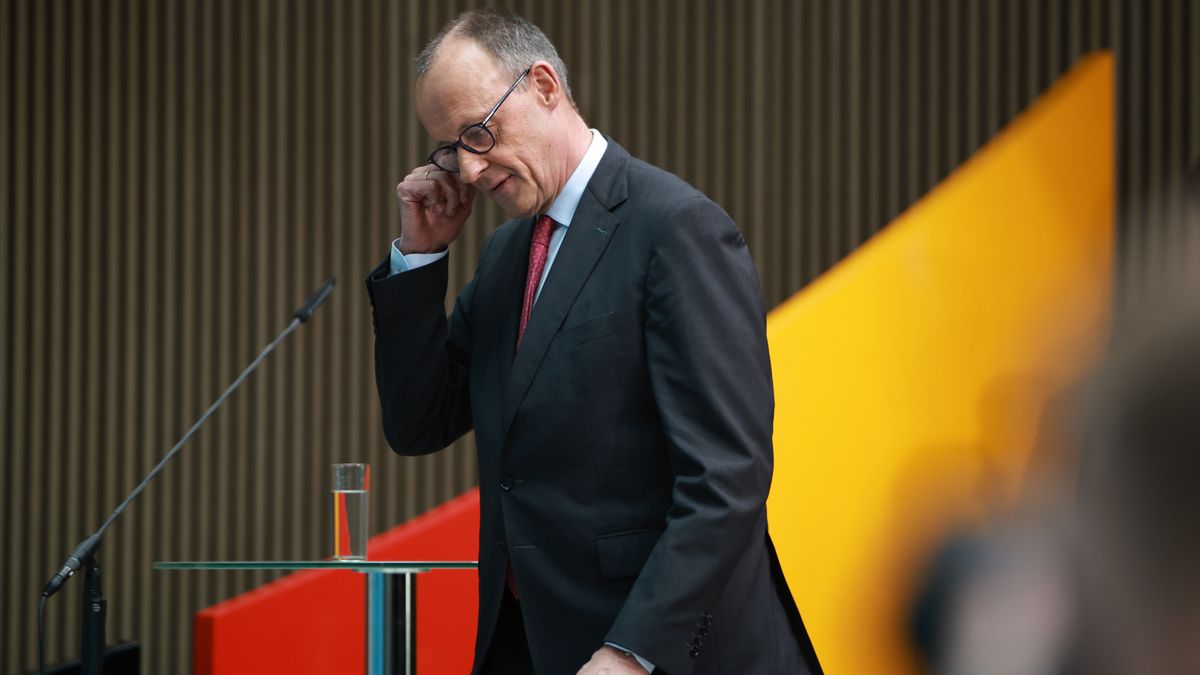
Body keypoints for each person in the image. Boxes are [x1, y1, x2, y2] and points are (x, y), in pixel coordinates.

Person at [365, 9, 821, 674]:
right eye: (448, 148)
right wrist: (420, 257)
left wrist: (632, 652)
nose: (465, 168)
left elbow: (727, 480)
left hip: (658, 652)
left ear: (545, 86)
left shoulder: (677, 228)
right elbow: (418, 421)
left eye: (478, 132)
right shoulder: (504, 254)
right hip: (529, 641)